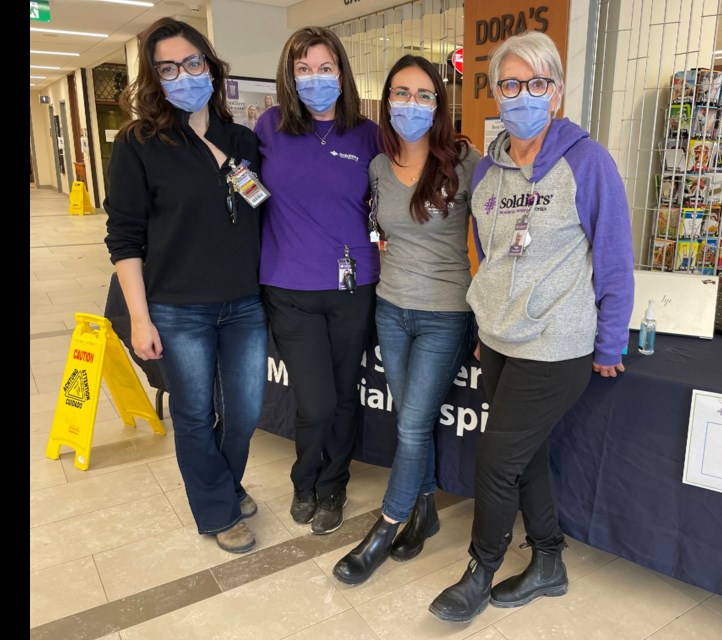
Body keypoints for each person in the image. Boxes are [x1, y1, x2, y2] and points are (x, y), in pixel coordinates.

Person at [428, 30, 635, 623]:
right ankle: (548, 560)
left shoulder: (585, 160)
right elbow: (488, 256)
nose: (522, 95)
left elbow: (614, 253)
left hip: (557, 342)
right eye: (510, 85)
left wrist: (611, 338)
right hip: (497, 339)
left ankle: (480, 570)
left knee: (496, 460)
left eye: (535, 84)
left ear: (557, 93)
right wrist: (484, 315)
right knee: (526, 455)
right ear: (494, 93)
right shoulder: (489, 171)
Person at [103, 17, 268, 554]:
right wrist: (140, 317)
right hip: (176, 308)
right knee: (194, 414)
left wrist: (212, 149)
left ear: (211, 68)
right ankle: (218, 509)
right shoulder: (137, 144)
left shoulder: (241, 139)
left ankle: (226, 481)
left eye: (193, 63)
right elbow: (124, 237)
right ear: (155, 78)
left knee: (243, 413)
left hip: (243, 303)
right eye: (168, 68)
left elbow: (258, 202)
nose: (184, 75)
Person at [331, 56, 479, 585]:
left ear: (438, 103)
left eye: (422, 95)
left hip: (445, 314)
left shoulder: (464, 159)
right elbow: (376, 231)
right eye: (400, 93)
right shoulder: (377, 165)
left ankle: (385, 528)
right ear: (386, 100)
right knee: (408, 424)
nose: (410, 105)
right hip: (390, 309)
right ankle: (426, 514)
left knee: (414, 425)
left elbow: (490, 241)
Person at [256, 26, 380, 536]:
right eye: (302, 69)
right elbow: (242, 191)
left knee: (346, 394)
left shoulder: (368, 134)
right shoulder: (268, 128)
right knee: (316, 400)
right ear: (289, 76)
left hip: (353, 287)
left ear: (342, 72)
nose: (314, 78)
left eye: (324, 67)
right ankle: (303, 478)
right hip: (289, 289)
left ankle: (334, 483)